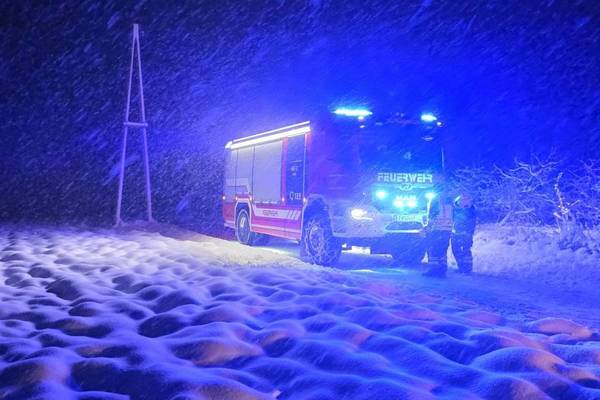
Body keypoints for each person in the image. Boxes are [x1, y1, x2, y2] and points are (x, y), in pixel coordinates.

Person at [422, 190, 454, 278]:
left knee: (433, 251)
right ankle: (442, 270)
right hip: (447, 230)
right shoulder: (450, 202)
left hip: (436, 230)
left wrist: (428, 227)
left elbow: (432, 216)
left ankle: (433, 270)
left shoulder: (436, 201)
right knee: (443, 251)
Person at [451, 193, 476, 274]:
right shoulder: (459, 210)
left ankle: (465, 269)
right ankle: (464, 268)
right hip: (460, 233)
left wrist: (468, 232)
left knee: (463, 251)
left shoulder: (469, 211)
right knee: (461, 251)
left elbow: (471, 223)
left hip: (462, 234)